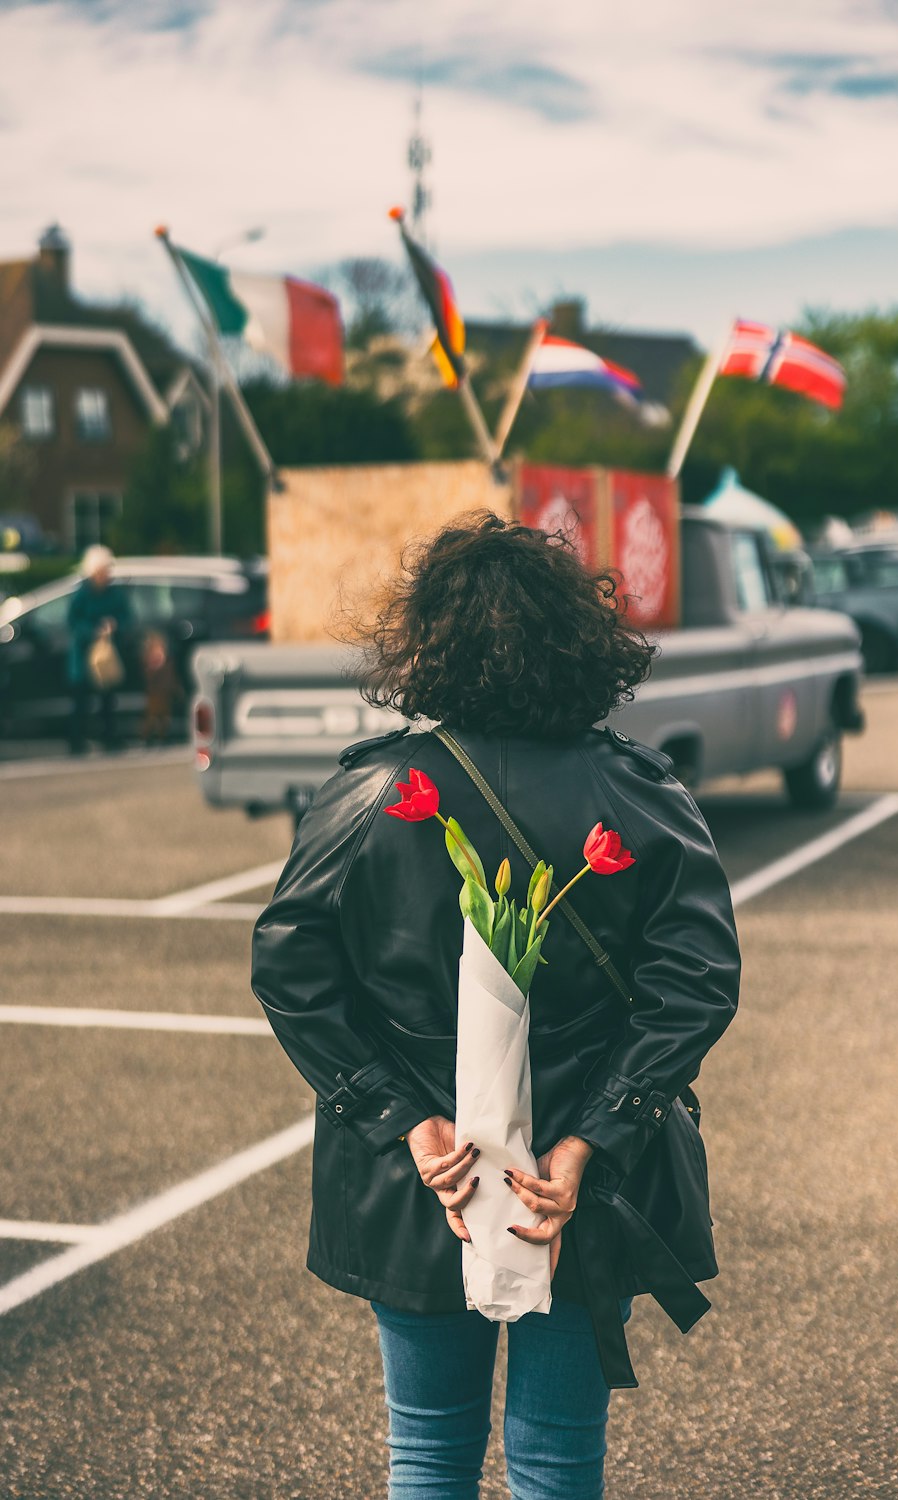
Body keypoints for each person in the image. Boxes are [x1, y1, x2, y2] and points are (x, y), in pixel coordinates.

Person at [251, 512, 741, 1499]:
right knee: (556, 1455)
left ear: (428, 643)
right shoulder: (639, 792)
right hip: (576, 1186)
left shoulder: (371, 795)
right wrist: (592, 1139)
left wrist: (408, 1125)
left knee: (428, 1451)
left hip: (419, 1182)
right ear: (580, 639)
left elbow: (290, 968)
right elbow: (695, 980)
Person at [67, 544, 132, 755]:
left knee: (107, 698)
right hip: (84, 654)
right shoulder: (82, 594)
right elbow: (72, 622)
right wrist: (93, 631)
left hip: (108, 655)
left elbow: (127, 616)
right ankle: (77, 739)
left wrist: (114, 625)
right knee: (81, 700)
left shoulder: (115, 594)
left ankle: (108, 737)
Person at [139, 629, 181, 746]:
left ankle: (162, 736)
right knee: (153, 716)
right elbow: (149, 675)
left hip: (165, 691)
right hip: (155, 692)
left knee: (164, 716)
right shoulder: (152, 661)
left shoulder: (167, 661)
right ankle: (147, 736)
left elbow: (172, 677)